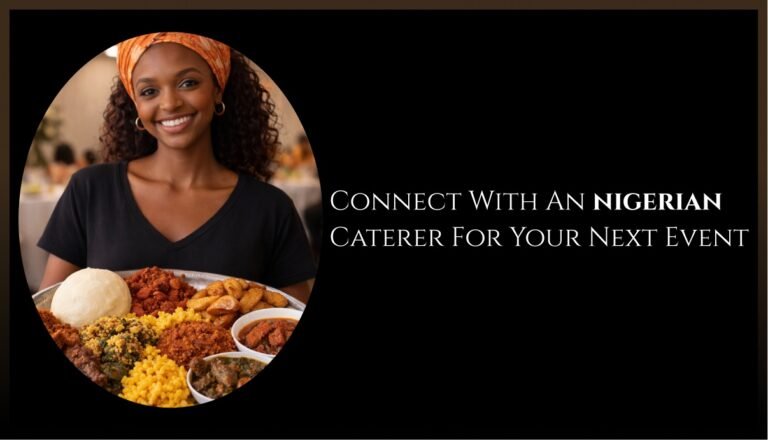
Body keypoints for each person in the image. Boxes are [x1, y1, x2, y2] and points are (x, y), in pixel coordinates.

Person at [38, 32, 315, 303]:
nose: (170, 103)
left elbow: (288, 319)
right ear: (136, 104)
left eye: (188, 83)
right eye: (149, 91)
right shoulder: (90, 190)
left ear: (217, 88)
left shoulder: (271, 208)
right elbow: (49, 310)